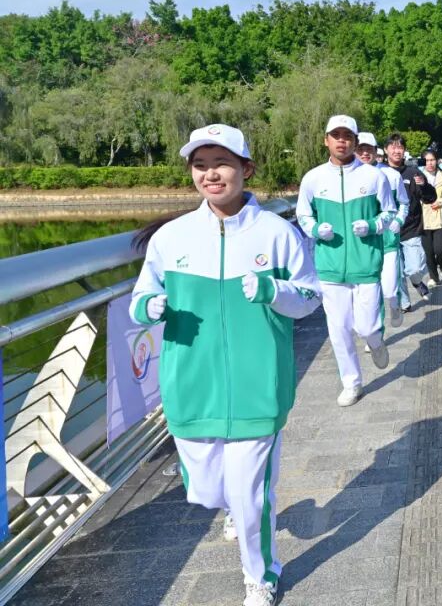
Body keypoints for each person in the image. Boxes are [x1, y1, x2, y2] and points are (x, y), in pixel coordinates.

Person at [130, 124, 321, 606]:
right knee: (207, 491)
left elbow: (310, 297)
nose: (210, 174)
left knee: (251, 495)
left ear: (246, 169)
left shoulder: (277, 234)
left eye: (221, 164)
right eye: (200, 165)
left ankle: (261, 576)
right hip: (191, 386)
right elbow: (139, 298)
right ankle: (232, 505)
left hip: (258, 385)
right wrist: (148, 306)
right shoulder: (171, 237)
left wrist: (275, 290)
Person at [296, 115, 396, 407]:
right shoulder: (313, 178)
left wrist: (372, 225)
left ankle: (376, 341)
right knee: (338, 329)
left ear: (355, 141)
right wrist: (316, 230)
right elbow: (303, 215)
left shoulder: (373, 177)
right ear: (326, 140)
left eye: (347, 136)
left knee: (367, 327)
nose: (342, 141)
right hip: (330, 267)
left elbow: (389, 212)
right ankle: (352, 383)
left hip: (366, 264)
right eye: (336, 135)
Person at [357, 134, 409, 328]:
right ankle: (376, 331)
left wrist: (399, 220)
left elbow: (404, 203)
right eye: (360, 149)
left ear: (376, 150)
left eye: (369, 149)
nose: (365, 153)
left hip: (387, 240)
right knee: (371, 293)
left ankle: (395, 304)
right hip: (363, 243)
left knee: (389, 289)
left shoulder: (392, 175)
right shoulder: (348, 178)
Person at [385, 133, 437, 307]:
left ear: (404, 151)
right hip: (387, 231)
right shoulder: (379, 173)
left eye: (400, 147)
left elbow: (430, 198)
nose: (396, 151)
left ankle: (416, 281)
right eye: (393, 147)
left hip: (411, 228)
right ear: (386, 150)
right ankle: (404, 303)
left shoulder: (413, 173)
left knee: (415, 268)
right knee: (397, 272)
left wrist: (424, 185)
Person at [420, 149, 442, 286]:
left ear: (437, 161)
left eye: (432, 160)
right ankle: (433, 277)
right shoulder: (417, 177)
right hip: (423, 219)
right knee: (428, 252)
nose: (430, 163)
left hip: (441, 217)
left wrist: (441, 202)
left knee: (439, 249)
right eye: (427, 160)